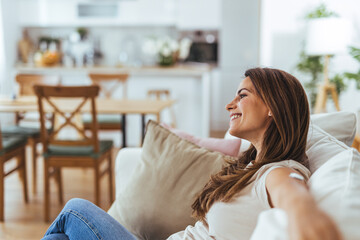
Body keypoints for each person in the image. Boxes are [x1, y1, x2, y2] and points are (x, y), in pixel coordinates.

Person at [42, 68, 343, 240]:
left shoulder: (278, 170)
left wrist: (307, 213)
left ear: (272, 109)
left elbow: (292, 192)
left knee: (74, 210)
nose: (230, 104)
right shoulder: (252, 163)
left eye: (242, 95)